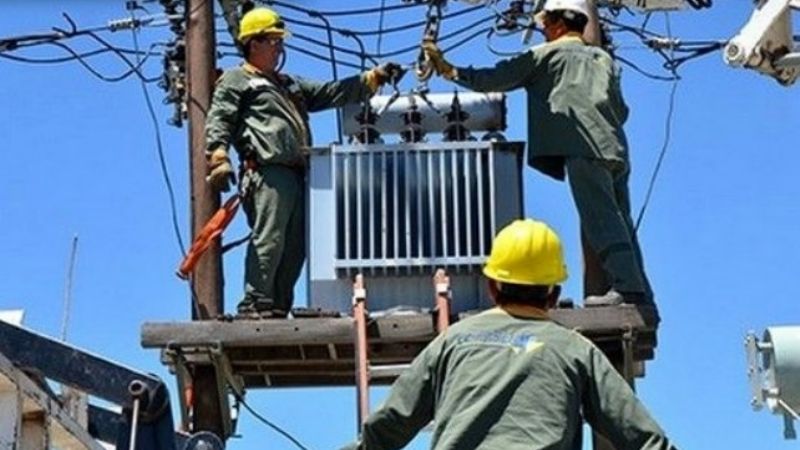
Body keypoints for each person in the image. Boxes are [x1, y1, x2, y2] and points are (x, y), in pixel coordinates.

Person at [341, 219, 677, 450]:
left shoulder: (452, 341)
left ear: (491, 287)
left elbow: (387, 428)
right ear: (554, 294)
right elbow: (644, 439)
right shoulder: (575, 350)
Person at [422, 0, 655, 311]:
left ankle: (628, 291)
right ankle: (640, 290)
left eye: (547, 23)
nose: (543, 28)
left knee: (600, 221)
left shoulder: (547, 55)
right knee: (620, 220)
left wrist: (449, 70)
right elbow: (621, 109)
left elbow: (497, 78)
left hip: (581, 147)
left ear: (560, 24)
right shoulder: (603, 58)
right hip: (614, 147)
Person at [205, 7, 404, 318]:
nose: (279, 48)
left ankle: (277, 307)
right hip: (268, 171)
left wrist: (372, 79)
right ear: (253, 43)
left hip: (299, 174)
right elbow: (221, 117)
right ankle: (255, 304)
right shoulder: (236, 79)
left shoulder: (288, 84)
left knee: (295, 245)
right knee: (270, 238)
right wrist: (218, 155)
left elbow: (331, 92)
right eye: (272, 41)